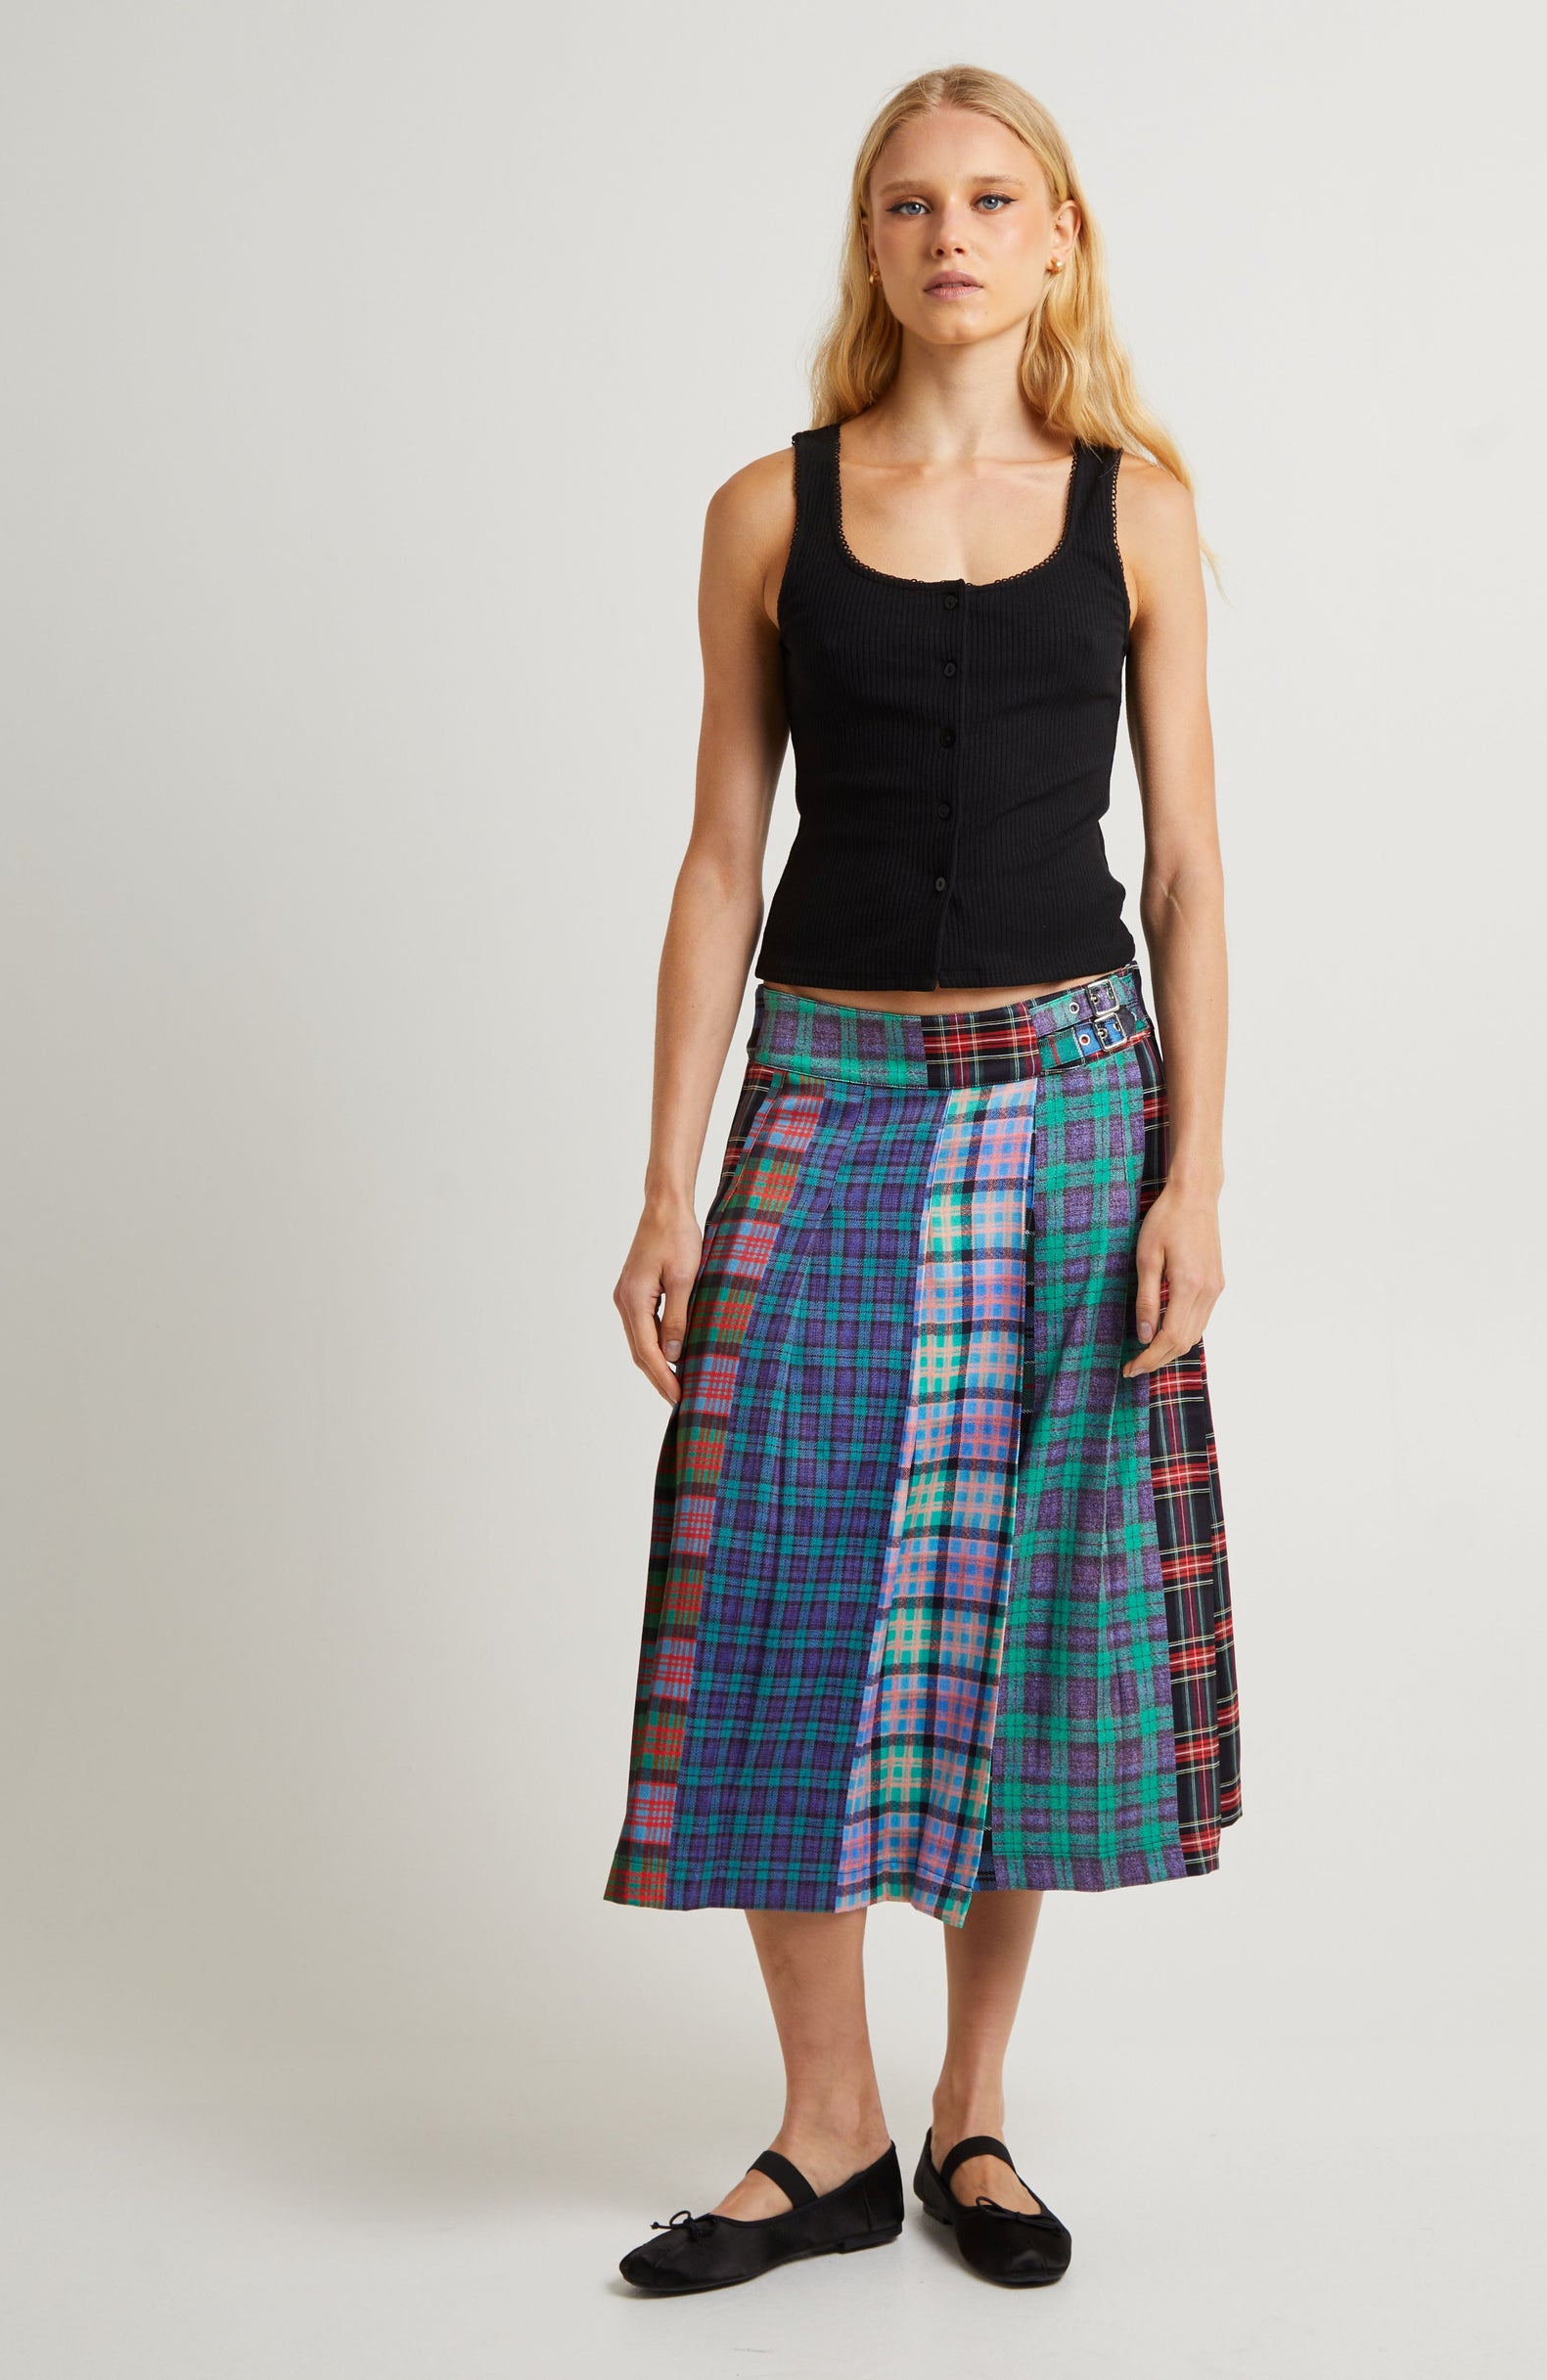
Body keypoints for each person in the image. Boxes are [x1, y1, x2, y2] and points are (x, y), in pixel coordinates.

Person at [605, 62, 1241, 2295]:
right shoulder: (762, 512)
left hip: (1073, 1099)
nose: (948, 235)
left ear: (1055, 235)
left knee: (1030, 1603)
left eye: (988, 198)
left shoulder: (1136, 515)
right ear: (869, 245)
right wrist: (666, 1182)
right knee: (770, 1577)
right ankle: (827, 2131)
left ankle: (970, 2110)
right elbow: (719, 857)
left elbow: (1186, 867)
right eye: (907, 203)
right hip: (830, 1088)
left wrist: (1196, 1175)